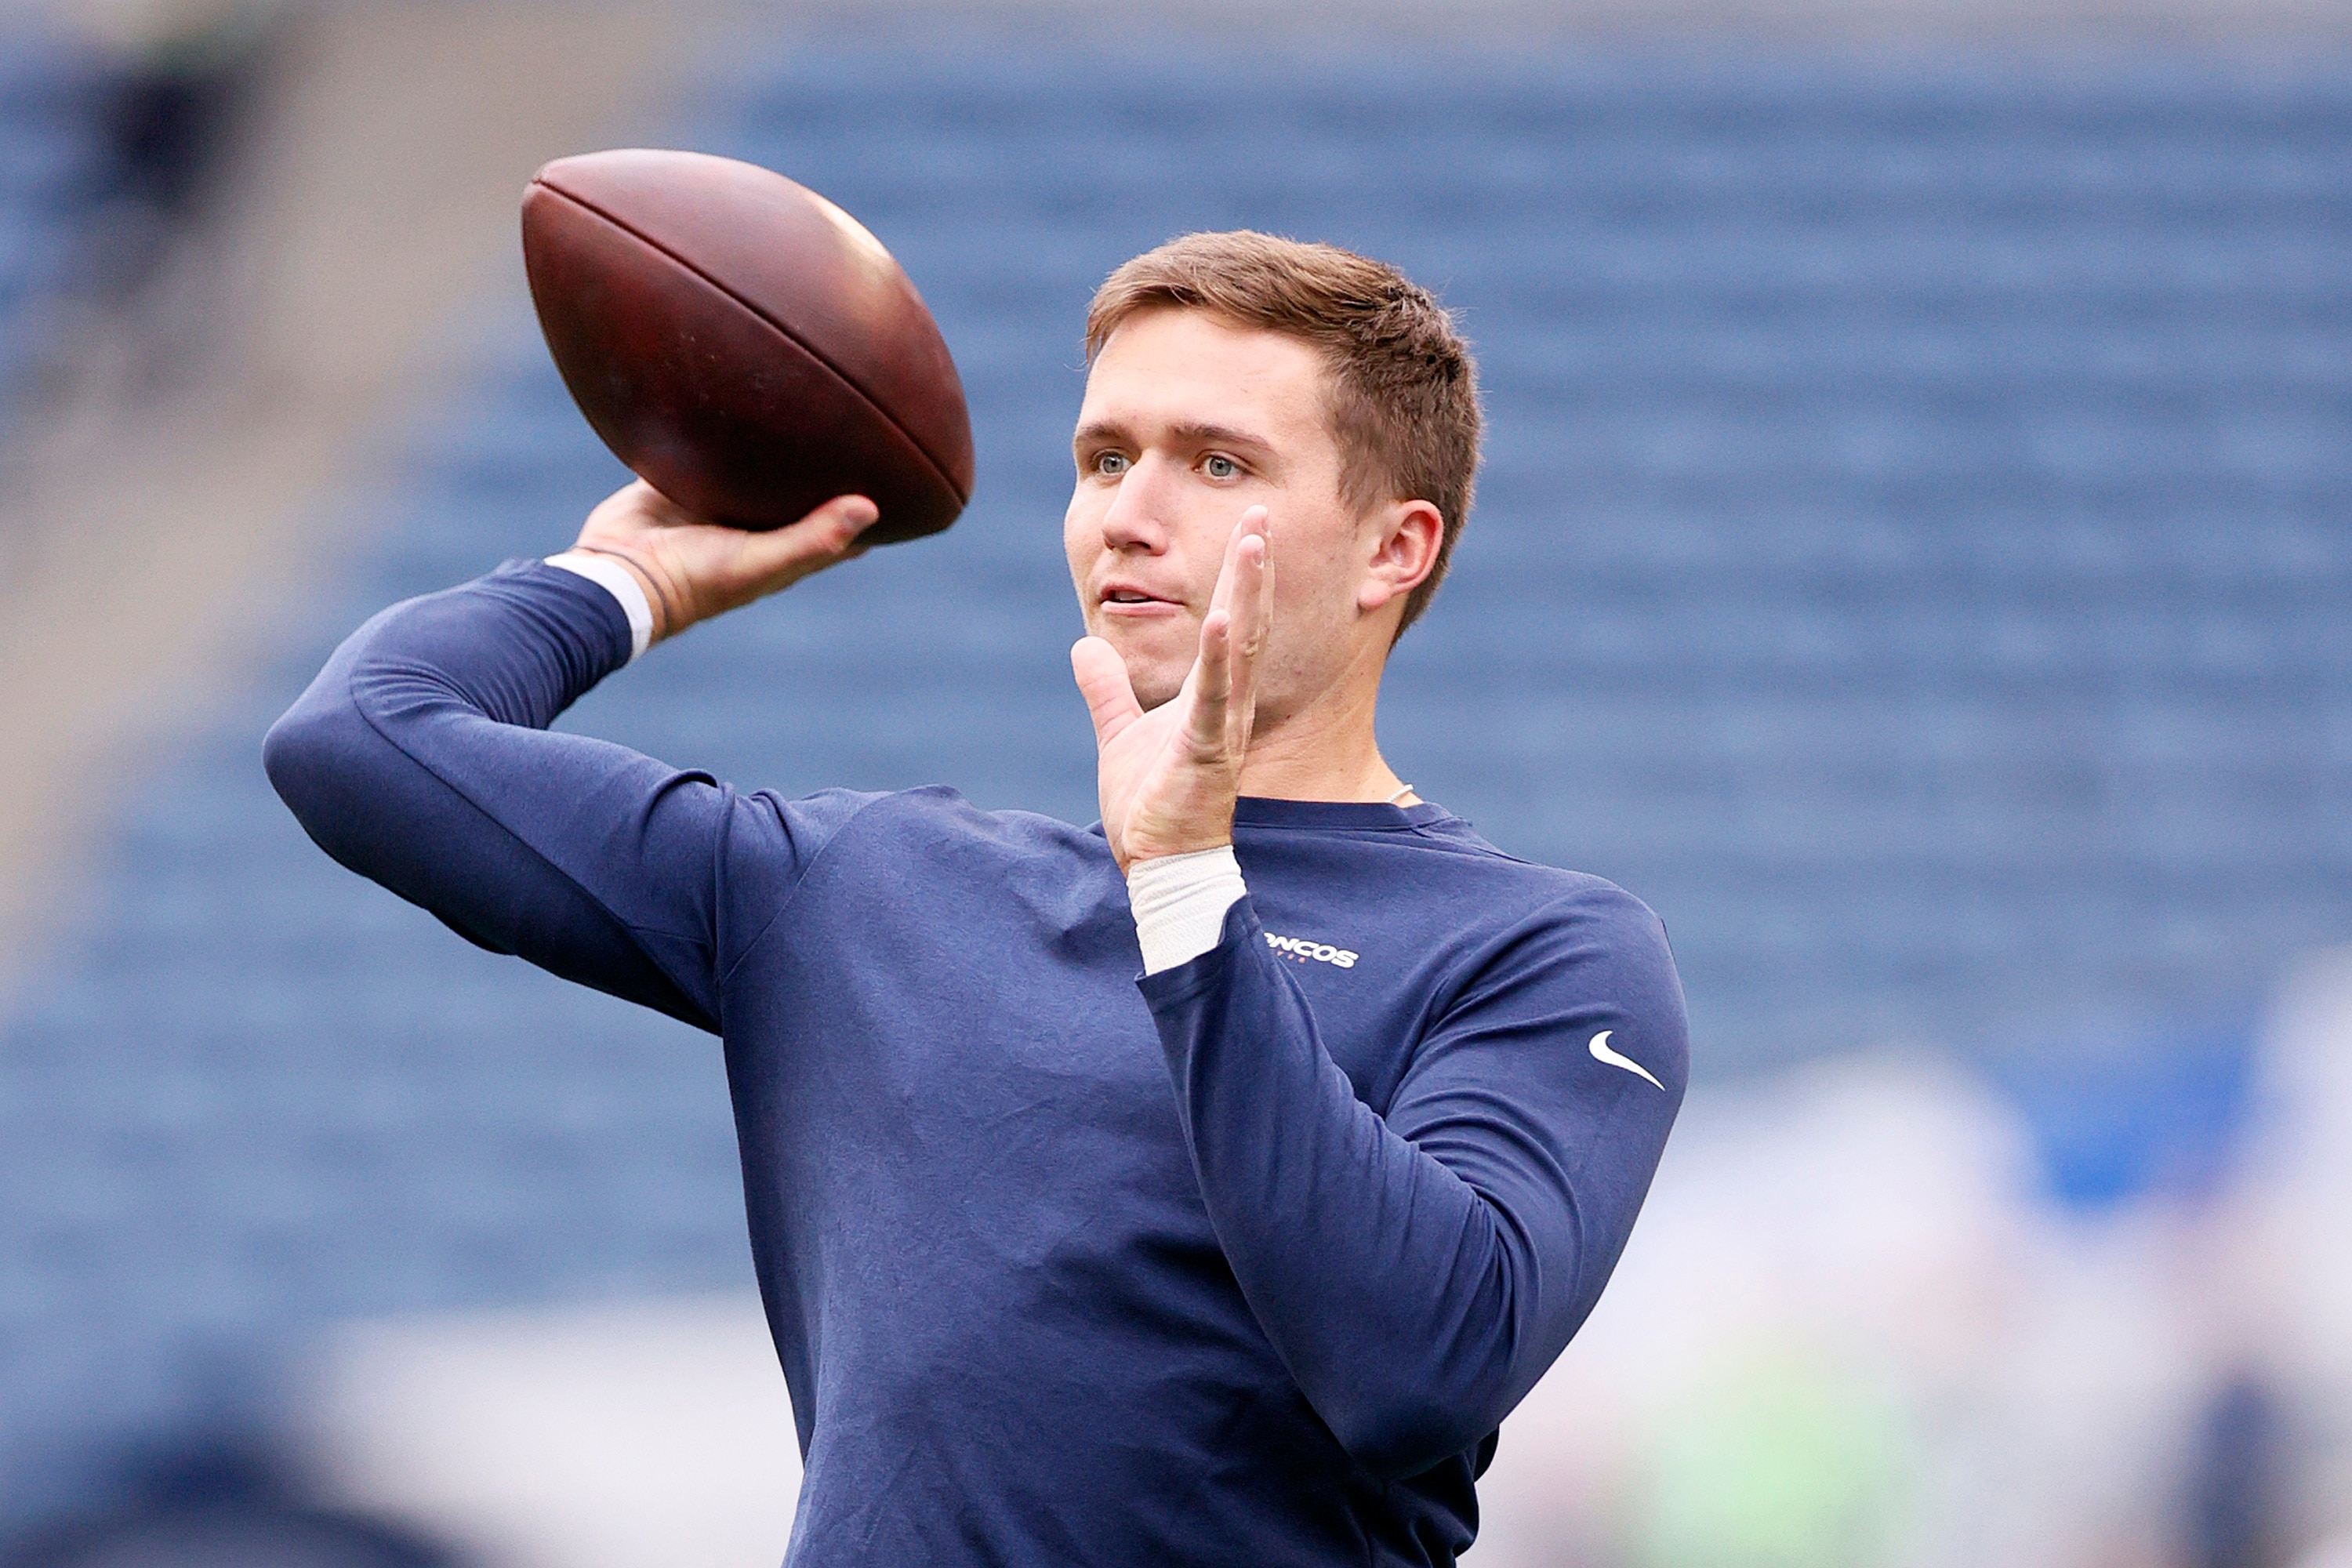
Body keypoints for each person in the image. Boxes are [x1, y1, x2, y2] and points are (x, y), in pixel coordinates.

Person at [266, 230, 1687, 1566]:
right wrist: (629, 578)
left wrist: (1189, 890)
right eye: (1104, 456)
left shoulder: (1539, 953)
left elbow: (1417, 1363)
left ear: (1395, 547)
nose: (1129, 514)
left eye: (1216, 463)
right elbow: (366, 740)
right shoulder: (869, 887)